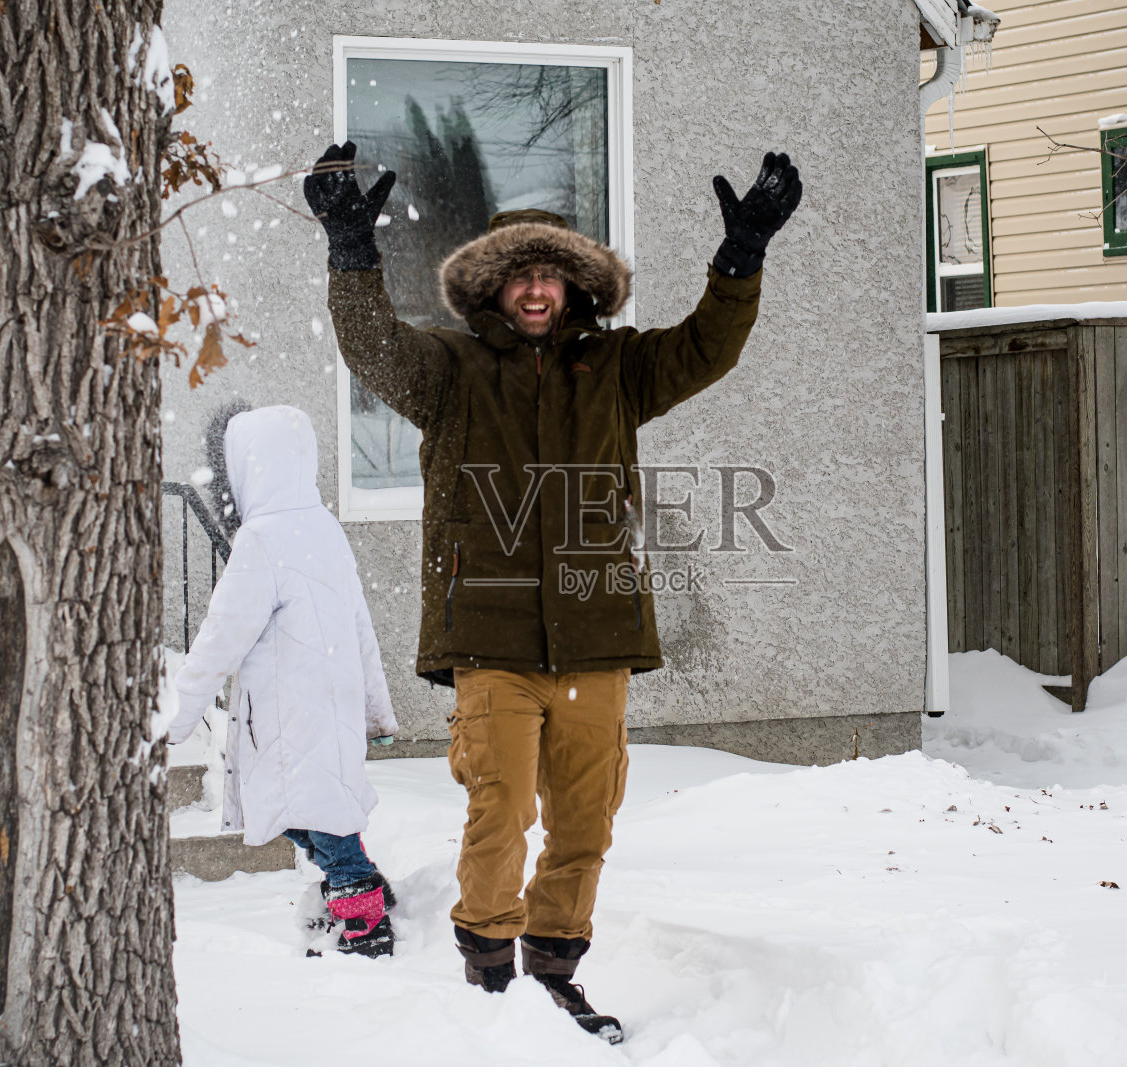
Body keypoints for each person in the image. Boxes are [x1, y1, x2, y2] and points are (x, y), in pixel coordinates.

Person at [305, 144, 801, 1040]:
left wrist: (741, 259)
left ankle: (555, 974)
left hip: (596, 636)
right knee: (501, 808)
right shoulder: (449, 371)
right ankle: (488, 979)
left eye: (552, 276)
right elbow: (371, 346)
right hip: (489, 635)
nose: (536, 291)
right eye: (519, 276)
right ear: (492, 289)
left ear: (576, 289)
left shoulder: (620, 370)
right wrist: (351, 250)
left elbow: (709, 346)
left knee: (585, 817)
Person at [166, 404, 400, 957]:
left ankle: (365, 921)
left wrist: (175, 717)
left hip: (291, 717)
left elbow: (218, 639)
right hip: (329, 709)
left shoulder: (261, 542)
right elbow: (362, 625)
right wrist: (373, 707)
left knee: (316, 820)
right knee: (316, 815)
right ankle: (360, 887)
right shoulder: (324, 530)